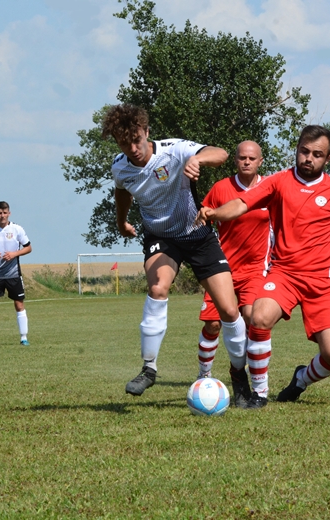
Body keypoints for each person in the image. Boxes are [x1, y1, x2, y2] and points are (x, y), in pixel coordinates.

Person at [196, 125, 330, 403]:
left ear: (327, 159)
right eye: (304, 151)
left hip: (324, 282)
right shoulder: (278, 182)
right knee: (259, 317)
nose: (308, 158)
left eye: (317, 154)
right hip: (284, 274)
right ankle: (259, 393)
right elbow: (242, 204)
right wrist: (214, 213)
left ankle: (301, 379)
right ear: (297, 150)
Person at [102, 103, 252, 402]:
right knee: (158, 287)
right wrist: (121, 222)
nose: (132, 148)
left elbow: (220, 153)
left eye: (136, 139)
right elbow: (122, 191)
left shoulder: (174, 149)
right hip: (161, 237)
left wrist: (198, 160)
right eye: (124, 143)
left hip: (198, 235)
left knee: (229, 310)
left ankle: (239, 374)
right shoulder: (120, 166)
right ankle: (148, 369)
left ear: (147, 131)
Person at [195, 141, 273, 408]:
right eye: (242, 157)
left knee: (252, 320)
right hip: (222, 270)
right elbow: (202, 219)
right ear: (235, 161)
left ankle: (242, 379)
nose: (247, 162)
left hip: (255, 271)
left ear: (260, 161)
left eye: (252, 158)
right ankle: (203, 377)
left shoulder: (270, 189)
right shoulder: (220, 189)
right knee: (213, 325)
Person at [0, 201, 32, 347]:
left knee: (19, 304)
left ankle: (23, 337)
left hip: (14, 274)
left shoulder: (17, 229)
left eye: (4, 213)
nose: (2, 216)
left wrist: (15, 253)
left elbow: (28, 248)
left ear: (9, 213)